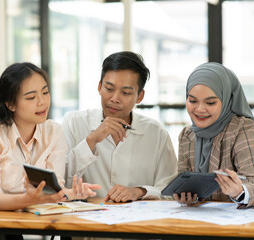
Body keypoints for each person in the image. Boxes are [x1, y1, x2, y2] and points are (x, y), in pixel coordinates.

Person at [0, 62, 100, 240]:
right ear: (10, 104)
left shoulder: (53, 132)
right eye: (31, 97)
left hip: (10, 225)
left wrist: (71, 194)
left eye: (45, 92)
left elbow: (52, 188)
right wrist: (29, 199)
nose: (42, 102)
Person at [62, 51, 177, 203]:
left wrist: (139, 191)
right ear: (99, 87)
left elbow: (171, 189)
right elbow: (60, 181)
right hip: (86, 221)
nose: (115, 99)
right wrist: (91, 141)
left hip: (137, 222)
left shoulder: (156, 133)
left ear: (140, 96)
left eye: (126, 92)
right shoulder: (74, 123)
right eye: (109, 89)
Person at [174, 62, 254, 208]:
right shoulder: (187, 136)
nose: (200, 109)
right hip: (211, 220)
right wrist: (186, 196)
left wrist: (239, 191)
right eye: (192, 100)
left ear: (227, 100)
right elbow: (184, 182)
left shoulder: (242, 129)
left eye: (211, 102)